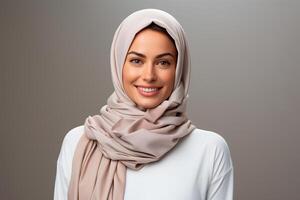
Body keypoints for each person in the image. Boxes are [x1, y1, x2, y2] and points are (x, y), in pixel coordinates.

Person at [54, 8, 234, 200]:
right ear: (118, 64)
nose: (149, 76)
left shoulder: (210, 150)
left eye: (163, 62)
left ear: (179, 69)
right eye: (136, 60)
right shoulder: (79, 142)